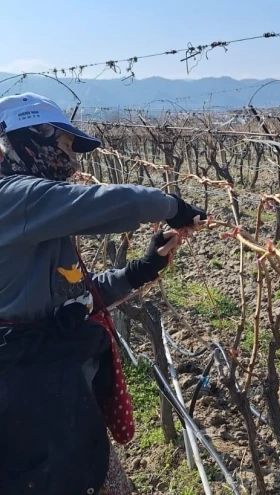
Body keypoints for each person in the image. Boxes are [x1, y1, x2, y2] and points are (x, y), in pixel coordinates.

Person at [0, 92, 207, 495]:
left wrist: (141, 269)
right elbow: (109, 204)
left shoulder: (38, 221)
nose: (74, 162)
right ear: (29, 140)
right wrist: (170, 206)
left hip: (59, 398)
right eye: (63, 146)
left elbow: (75, 297)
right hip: (26, 407)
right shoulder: (11, 198)